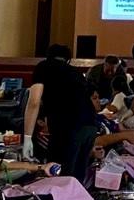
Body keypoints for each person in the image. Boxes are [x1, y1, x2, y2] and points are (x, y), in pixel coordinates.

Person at [21, 44, 97, 173]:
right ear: (68, 60)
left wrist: (27, 138)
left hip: (68, 127)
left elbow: (34, 102)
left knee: (57, 173)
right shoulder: (76, 72)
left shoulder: (43, 66)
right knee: (77, 177)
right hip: (90, 125)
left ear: (48, 57)